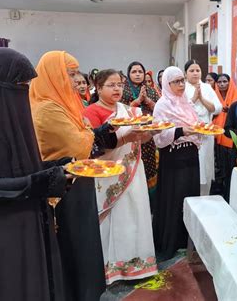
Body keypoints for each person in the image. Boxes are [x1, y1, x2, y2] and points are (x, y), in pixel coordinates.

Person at [0, 48, 67, 301]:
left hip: (29, 219)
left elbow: (22, 164)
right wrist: (40, 183)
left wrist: (56, 167)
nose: (24, 93)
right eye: (19, 85)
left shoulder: (13, 116)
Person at [30, 51, 115, 301]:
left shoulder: (66, 104)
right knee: (74, 246)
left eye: (77, 73)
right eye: (70, 73)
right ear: (53, 75)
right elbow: (78, 144)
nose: (76, 79)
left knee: (86, 243)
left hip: (79, 180)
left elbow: (85, 134)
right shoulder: (46, 108)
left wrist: (94, 131)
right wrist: (92, 132)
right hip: (62, 188)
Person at [83, 69, 158, 284]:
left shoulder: (130, 111)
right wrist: (124, 137)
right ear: (98, 88)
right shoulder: (92, 113)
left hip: (133, 170)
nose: (117, 89)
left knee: (136, 214)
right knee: (115, 218)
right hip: (108, 174)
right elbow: (93, 147)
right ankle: (112, 267)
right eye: (111, 85)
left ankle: (138, 264)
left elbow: (142, 139)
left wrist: (146, 135)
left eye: (120, 85)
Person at [152, 66, 200, 261]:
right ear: (167, 83)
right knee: (174, 199)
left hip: (190, 155)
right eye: (176, 81)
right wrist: (181, 132)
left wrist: (195, 131)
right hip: (173, 157)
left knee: (190, 197)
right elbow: (159, 136)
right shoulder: (162, 105)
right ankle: (170, 243)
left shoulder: (186, 102)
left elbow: (196, 125)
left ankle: (185, 241)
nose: (181, 85)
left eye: (182, 81)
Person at [121, 62, 160, 205]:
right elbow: (121, 110)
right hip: (131, 135)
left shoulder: (151, 90)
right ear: (129, 74)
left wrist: (148, 101)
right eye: (134, 71)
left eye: (140, 72)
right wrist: (137, 101)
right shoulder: (123, 90)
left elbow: (159, 109)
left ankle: (149, 204)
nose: (137, 74)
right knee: (132, 165)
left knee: (149, 166)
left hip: (149, 136)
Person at [185, 59, 222, 195]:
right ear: (185, 74)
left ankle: (205, 196)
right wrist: (194, 98)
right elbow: (181, 110)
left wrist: (201, 98)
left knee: (205, 166)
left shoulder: (206, 87)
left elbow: (217, 108)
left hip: (206, 133)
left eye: (198, 70)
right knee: (193, 167)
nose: (195, 73)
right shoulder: (182, 88)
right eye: (192, 71)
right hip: (189, 134)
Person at [211, 74, 237, 201]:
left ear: (229, 83)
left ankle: (231, 193)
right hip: (217, 136)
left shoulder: (236, 96)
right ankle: (221, 190)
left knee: (230, 167)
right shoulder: (212, 96)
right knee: (220, 166)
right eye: (219, 82)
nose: (222, 84)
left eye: (225, 81)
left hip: (230, 138)